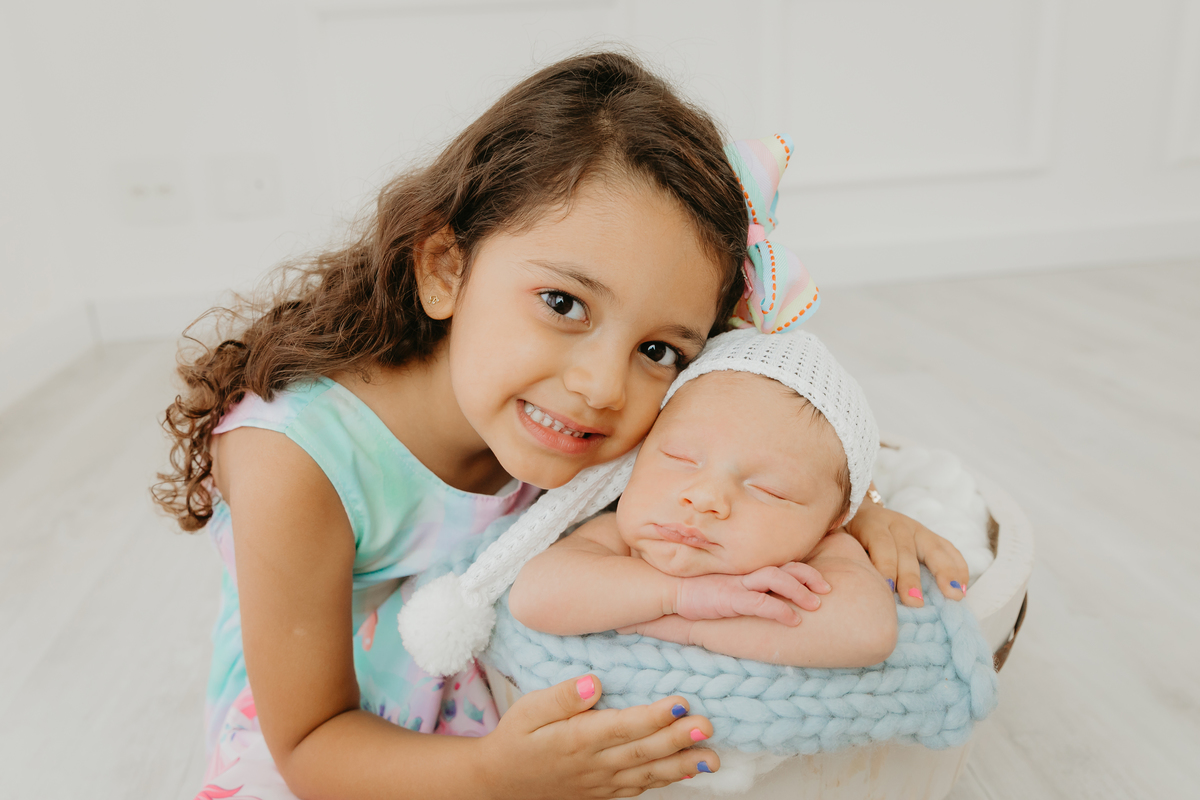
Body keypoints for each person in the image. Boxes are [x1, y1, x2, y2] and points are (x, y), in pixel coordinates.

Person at [154, 51, 967, 800]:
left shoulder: (618, 412)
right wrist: (495, 774)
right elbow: (309, 744)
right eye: (563, 304)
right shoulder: (294, 460)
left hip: (506, 702)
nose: (601, 386)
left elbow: (753, 445)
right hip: (354, 760)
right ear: (446, 268)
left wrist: (857, 512)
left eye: (657, 347)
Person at [509, 329, 910, 669]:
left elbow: (867, 632)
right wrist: (682, 597)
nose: (704, 498)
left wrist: (695, 626)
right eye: (678, 458)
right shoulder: (619, 535)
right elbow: (533, 597)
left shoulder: (821, 551)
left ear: (834, 518)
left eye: (769, 489)